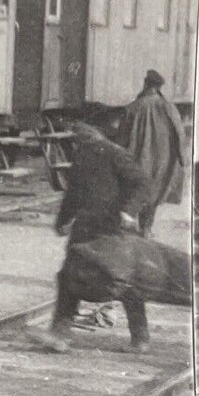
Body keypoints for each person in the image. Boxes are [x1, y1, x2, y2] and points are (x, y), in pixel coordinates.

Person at [31, 121, 154, 354]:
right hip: (93, 228)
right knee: (80, 278)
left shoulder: (109, 154)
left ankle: (63, 334)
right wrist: (63, 221)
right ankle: (63, 334)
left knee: (108, 280)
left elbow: (141, 184)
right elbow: (74, 194)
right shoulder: (91, 155)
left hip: (110, 229)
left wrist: (128, 210)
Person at [119, 69, 186, 235]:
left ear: (146, 84)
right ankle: (147, 229)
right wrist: (181, 158)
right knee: (155, 192)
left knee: (139, 189)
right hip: (162, 159)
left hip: (139, 157)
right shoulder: (168, 107)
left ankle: (137, 226)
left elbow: (121, 138)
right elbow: (180, 133)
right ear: (158, 88)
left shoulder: (133, 108)